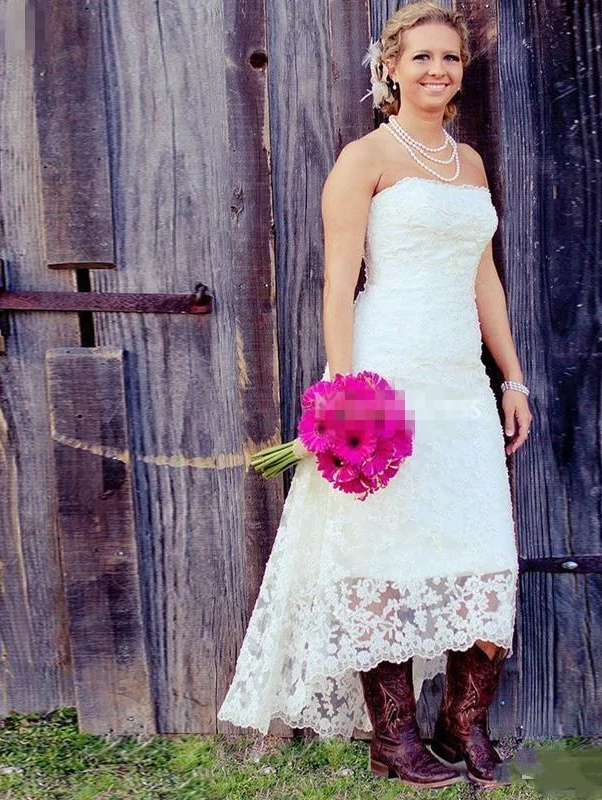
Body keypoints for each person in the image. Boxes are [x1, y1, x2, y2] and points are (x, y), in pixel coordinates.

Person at [218, 0, 532, 789]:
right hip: (387, 373)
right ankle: (391, 740)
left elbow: (483, 276)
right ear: (390, 67)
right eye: (421, 56)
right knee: (383, 555)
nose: (438, 70)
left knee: (485, 553)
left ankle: (464, 723)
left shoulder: (469, 165)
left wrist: (513, 376)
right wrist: (346, 387)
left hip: (461, 380)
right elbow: (337, 282)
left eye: (451, 59)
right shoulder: (365, 158)